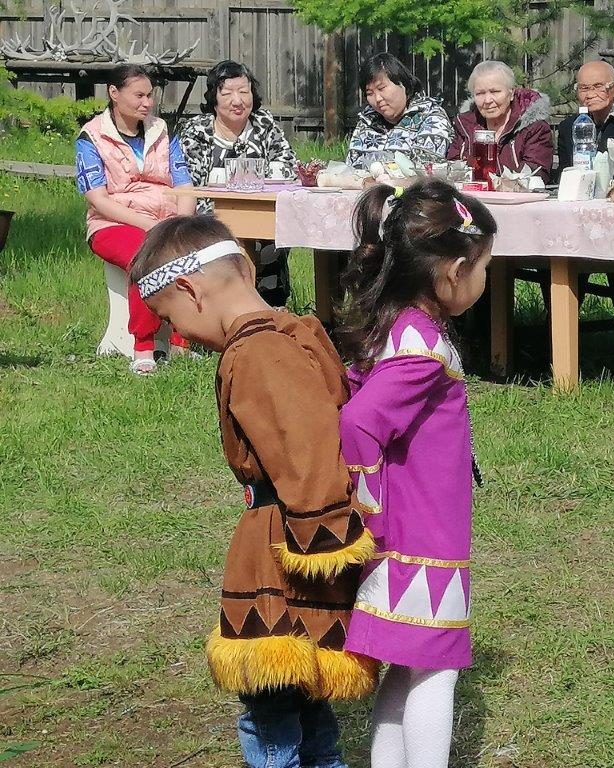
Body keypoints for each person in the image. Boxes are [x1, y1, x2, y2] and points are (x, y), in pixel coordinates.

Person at [128, 215, 377, 768]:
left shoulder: (258, 354)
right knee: (306, 704)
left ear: (190, 290)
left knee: (268, 709)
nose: (182, 335)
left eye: (172, 319)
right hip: (297, 536)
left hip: (286, 549)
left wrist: (324, 541)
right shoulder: (291, 332)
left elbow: (305, 448)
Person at [334, 179, 495, 768]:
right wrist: (368, 507)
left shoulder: (398, 324)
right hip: (421, 540)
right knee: (438, 669)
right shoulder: (421, 347)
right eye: (484, 268)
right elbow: (359, 423)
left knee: (407, 671)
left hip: (408, 536)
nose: (485, 281)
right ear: (452, 272)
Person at [76, 63, 196, 374]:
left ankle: (183, 342)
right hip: (113, 224)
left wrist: (181, 225)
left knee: (197, 250)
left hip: (167, 220)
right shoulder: (91, 137)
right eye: (139, 96)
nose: (147, 103)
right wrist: (151, 227)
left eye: (150, 96)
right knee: (146, 258)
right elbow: (97, 199)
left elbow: (184, 185)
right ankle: (143, 348)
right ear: (114, 94)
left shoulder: (163, 131)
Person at [178, 60, 298, 306]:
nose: (238, 100)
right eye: (227, 93)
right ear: (214, 98)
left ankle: (272, 307)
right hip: (213, 212)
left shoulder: (264, 124)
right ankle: (231, 307)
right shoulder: (197, 131)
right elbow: (195, 182)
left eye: (244, 92)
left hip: (263, 211)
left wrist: (240, 175)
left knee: (272, 238)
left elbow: (288, 166)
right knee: (231, 239)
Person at [447, 60, 554, 183]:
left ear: (511, 93)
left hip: (517, 200)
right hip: (472, 198)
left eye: (495, 92)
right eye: (480, 93)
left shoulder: (534, 128)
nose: (487, 100)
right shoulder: (465, 126)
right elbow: (453, 168)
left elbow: (535, 173)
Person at [346, 53, 454, 169]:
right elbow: (351, 167)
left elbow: (425, 167)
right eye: (370, 93)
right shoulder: (366, 121)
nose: (377, 99)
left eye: (381, 88)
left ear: (403, 84)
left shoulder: (431, 116)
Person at [555, 60, 614, 179]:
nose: (590, 94)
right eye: (584, 88)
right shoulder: (568, 127)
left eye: (598, 86)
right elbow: (564, 172)